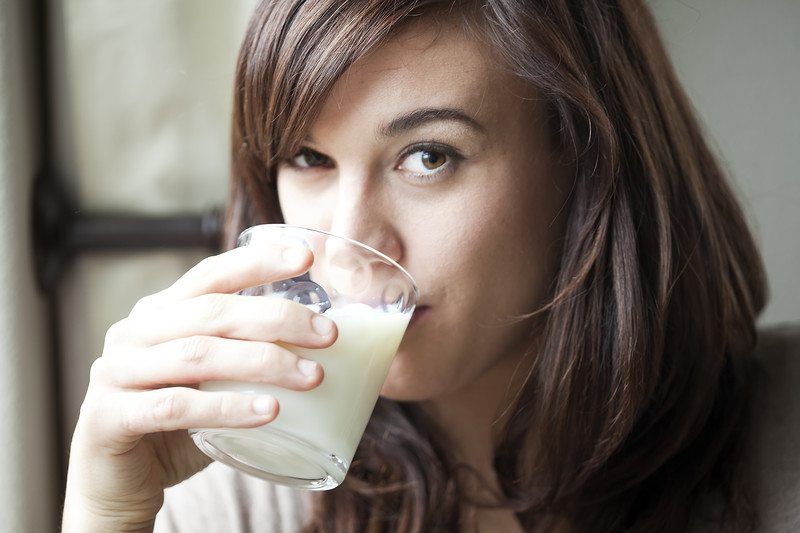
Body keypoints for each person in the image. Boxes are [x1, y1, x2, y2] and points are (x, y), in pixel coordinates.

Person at [61, 1, 775, 531]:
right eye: (309, 158)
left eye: (429, 156)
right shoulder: (234, 495)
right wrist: (106, 511)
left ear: (583, 165)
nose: (343, 245)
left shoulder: (780, 451)